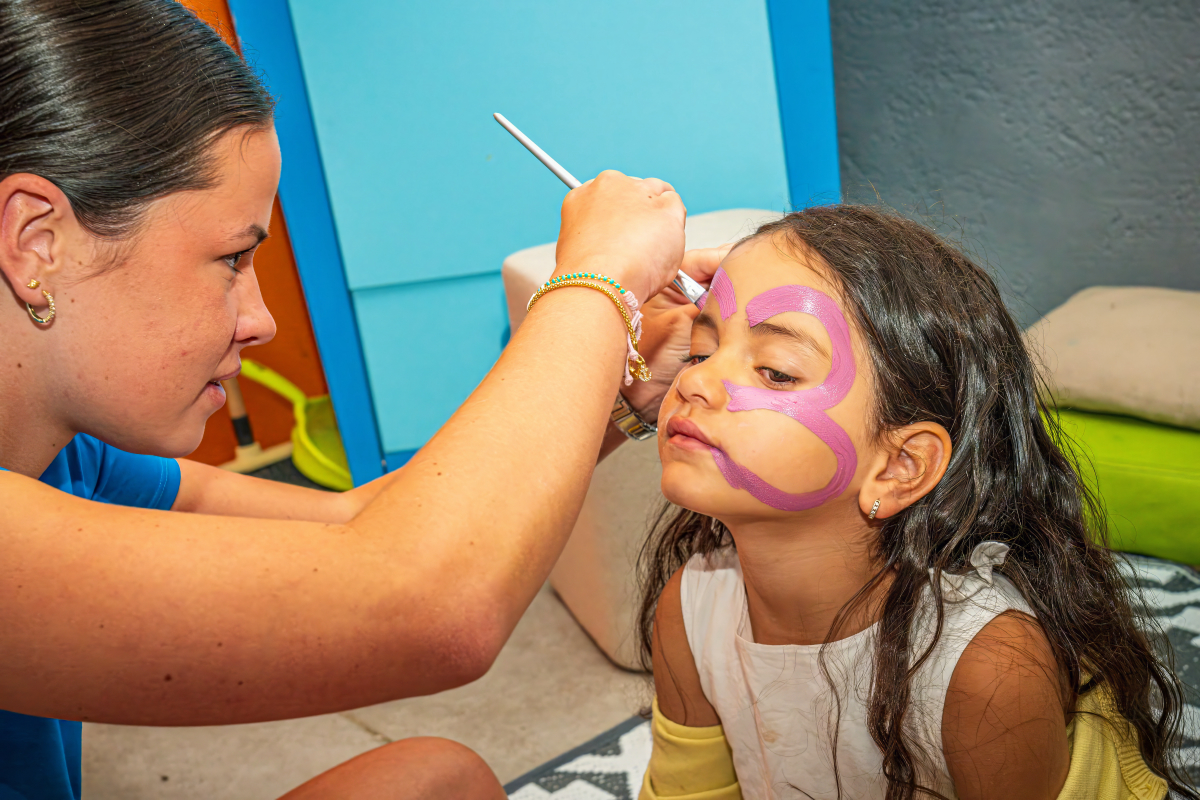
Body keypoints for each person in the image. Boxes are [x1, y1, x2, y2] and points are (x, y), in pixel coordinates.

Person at [0, 1, 718, 797]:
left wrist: (627, 391)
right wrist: (599, 280)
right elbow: (430, 606)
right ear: (37, 241)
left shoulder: (73, 458)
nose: (260, 321)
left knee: (436, 781)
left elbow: (359, 525)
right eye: (233, 258)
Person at [635, 206, 1196, 800]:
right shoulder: (691, 611)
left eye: (776, 371)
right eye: (699, 352)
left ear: (899, 466)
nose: (693, 382)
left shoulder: (988, 667)